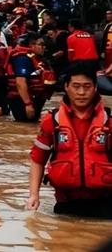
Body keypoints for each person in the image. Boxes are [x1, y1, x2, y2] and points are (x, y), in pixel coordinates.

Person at [27, 62, 112, 218]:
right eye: (76, 86)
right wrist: (34, 195)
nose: (81, 92)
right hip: (66, 204)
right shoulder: (51, 121)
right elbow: (38, 160)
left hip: (106, 204)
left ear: (95, 88)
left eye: (87, 86)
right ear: (66, 87)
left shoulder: (109, 122)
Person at [6, 32, 55, 122]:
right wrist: (28, 104)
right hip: (22, 100)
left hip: (35, 98)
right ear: (31, 45)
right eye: (41, 45)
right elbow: (20, 83)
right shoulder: (22, 59)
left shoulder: (37, 58)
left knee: (33, 123)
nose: (44, 47)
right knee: (25, 125)